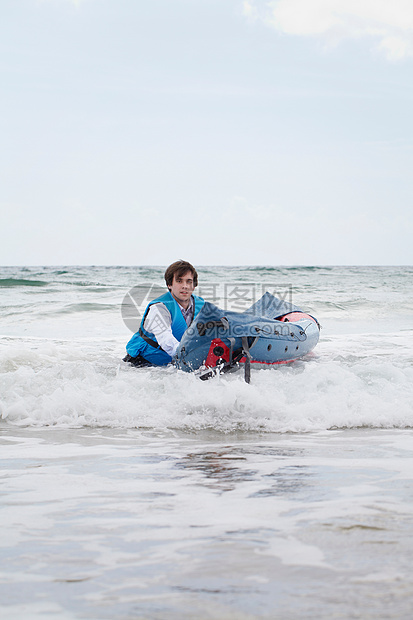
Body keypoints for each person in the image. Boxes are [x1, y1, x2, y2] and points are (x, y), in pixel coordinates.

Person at [123, 260, 204, 367]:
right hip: (142, 364)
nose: (185, 286)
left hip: (170, 364)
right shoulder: (159, 307)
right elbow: (166, 340)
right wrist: (189, 358)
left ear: (194, 286)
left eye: (189, 281)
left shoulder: (200, 305)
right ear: (169, 285)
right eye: (179, 281)